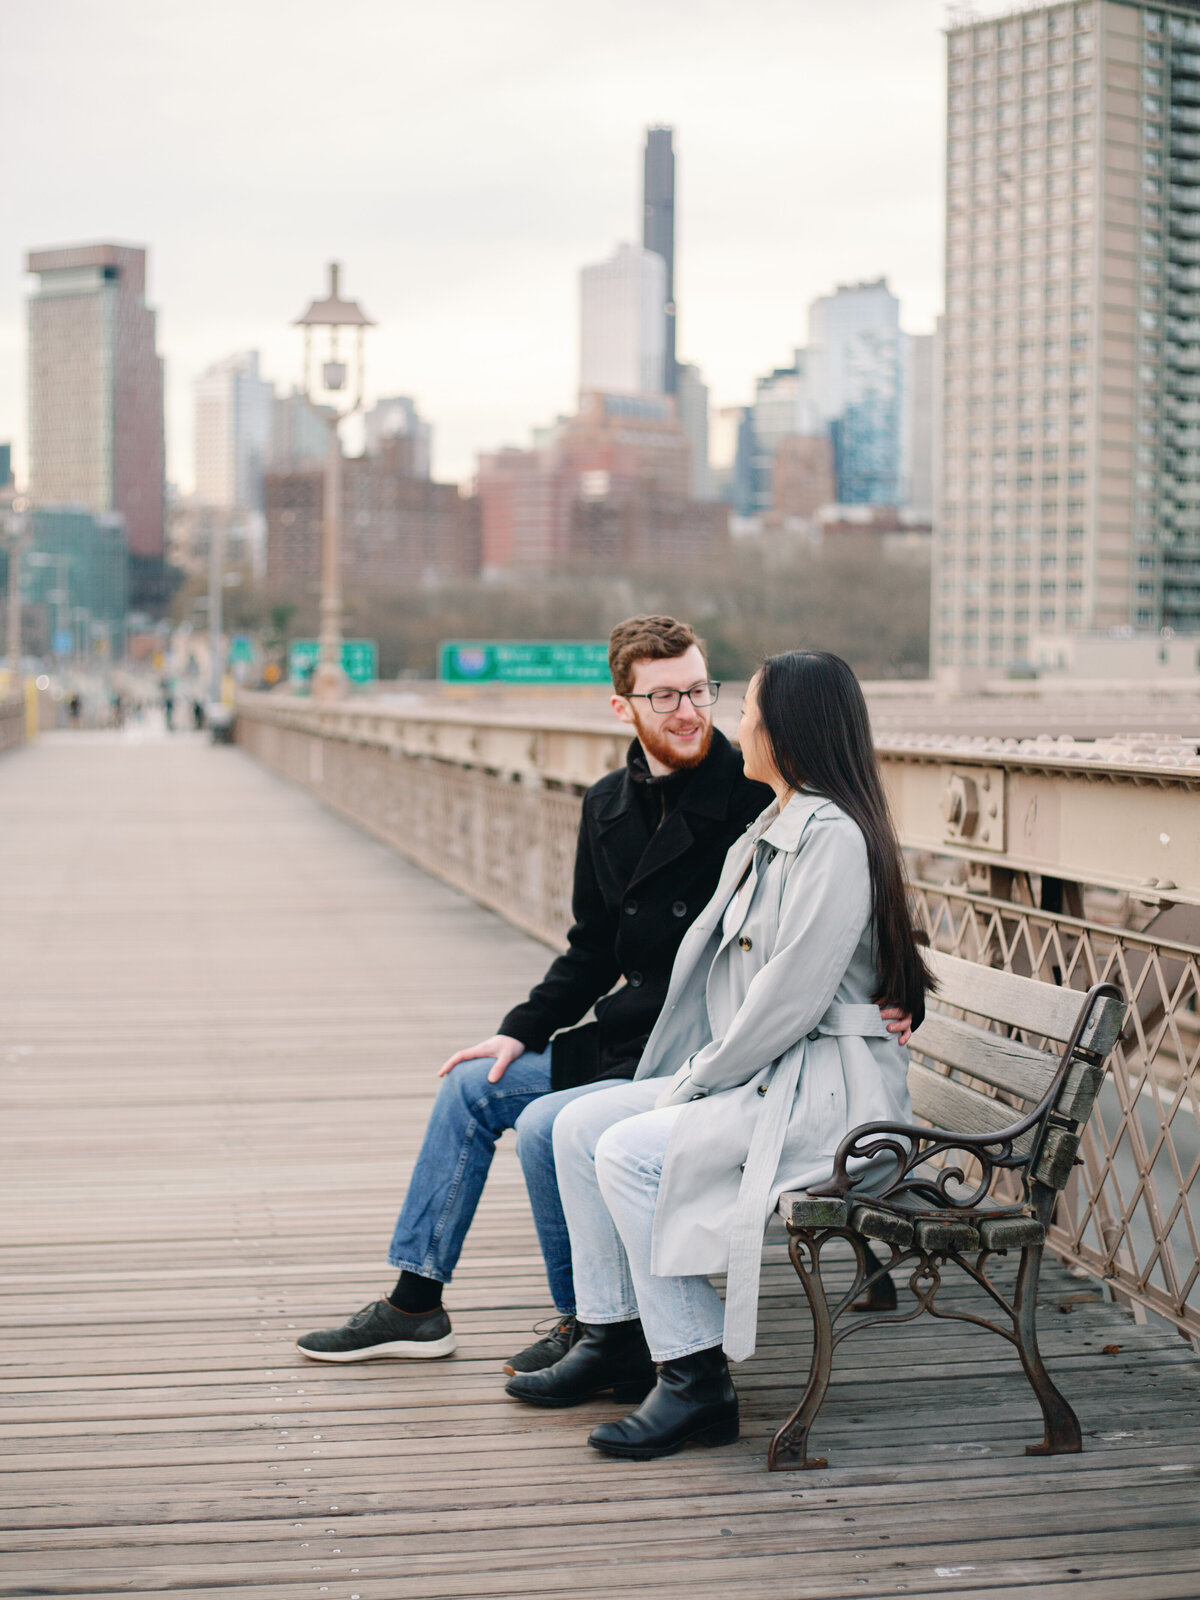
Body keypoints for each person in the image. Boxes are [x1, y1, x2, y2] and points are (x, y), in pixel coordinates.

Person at [296, 618, 916, 1371]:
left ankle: (594, 1326)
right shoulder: (606, 806)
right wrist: (519, 1031)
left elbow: (838, 930)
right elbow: (591, 949)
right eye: (664, 698)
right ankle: (415, 1303)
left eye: (700, 691)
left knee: (549, 1124)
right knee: (472, 1083)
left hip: (693, 1047)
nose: (690, 712)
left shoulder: (762, 799)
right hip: (629, 1039)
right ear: (622, 707)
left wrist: (898, 993)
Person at [505, 651, 931, 1461]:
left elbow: (792, 997)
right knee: (574, 1128)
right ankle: (615, 1333)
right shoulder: (778, 824)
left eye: (749, 713)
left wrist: (695, 1084)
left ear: (787, 731)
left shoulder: (831, 839)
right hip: (770, 1075)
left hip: (827, 1100)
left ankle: (696, 1378)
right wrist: (692, 1077)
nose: (737, 725)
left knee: (627, 1150)